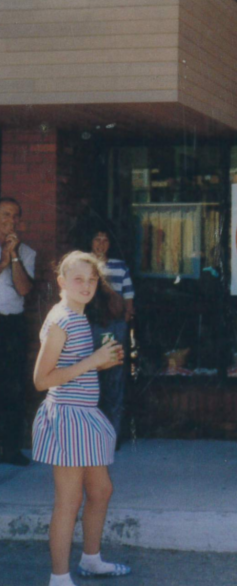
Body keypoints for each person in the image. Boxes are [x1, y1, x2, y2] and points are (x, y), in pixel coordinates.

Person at [31, 252, 130, 586]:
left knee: (101, 490)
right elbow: (42, 380)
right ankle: (59, 578)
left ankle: (91, 560)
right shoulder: (61, 320)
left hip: (85, 416)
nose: (86, 286)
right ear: (61, 282)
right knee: (69, 500)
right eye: (78, 279)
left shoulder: (78, 316)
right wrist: (93, 362)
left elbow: (72, 368)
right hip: (68, 418)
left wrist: (99, 362)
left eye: (92, 280)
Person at [85, 225, 134, 443]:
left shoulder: (119, 267)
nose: (101, 244)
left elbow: (128, 300)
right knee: (90, 377)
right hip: (90, 326)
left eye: (105, 240)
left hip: (114, 327)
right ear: (90, 241)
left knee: (115, 378)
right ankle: (91, 434)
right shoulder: (82, 263)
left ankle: (111, 436)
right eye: (97, 238)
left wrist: (121, 326)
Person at [0, 197, 35, 466]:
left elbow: (24, 289)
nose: (10, 220)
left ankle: (10, 449)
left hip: (11, 324)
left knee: (11, 386)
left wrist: (13, 256)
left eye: (15, 216)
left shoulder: (27, 253)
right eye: (5, 214)